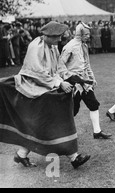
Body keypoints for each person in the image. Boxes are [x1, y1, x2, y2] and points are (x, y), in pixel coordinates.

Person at [0, 21, 90, 169]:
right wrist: (59, 84)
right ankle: (73, 157)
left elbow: (60, 67)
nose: (60, 40)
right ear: (49, 35)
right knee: (48, 120)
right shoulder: (36, 46)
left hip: (44, 88)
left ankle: (22, 154)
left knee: (41, 123)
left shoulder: (52, 46)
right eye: (58, 37)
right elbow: (37, 73)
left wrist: (73, 78)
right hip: (31, 88)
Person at [58, 22, 112, 140]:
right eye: (86, 34)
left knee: (93, 104)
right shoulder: (70, 46)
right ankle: (60, 133)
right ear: (79, 34)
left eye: (89, 34)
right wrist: (69, 78)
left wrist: (91, 78)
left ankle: (97, 132)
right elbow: (60, 66)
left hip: (85, 83)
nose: (88, 36)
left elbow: (86, 64)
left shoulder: (84, 46)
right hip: (73, 84)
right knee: (73, 110)